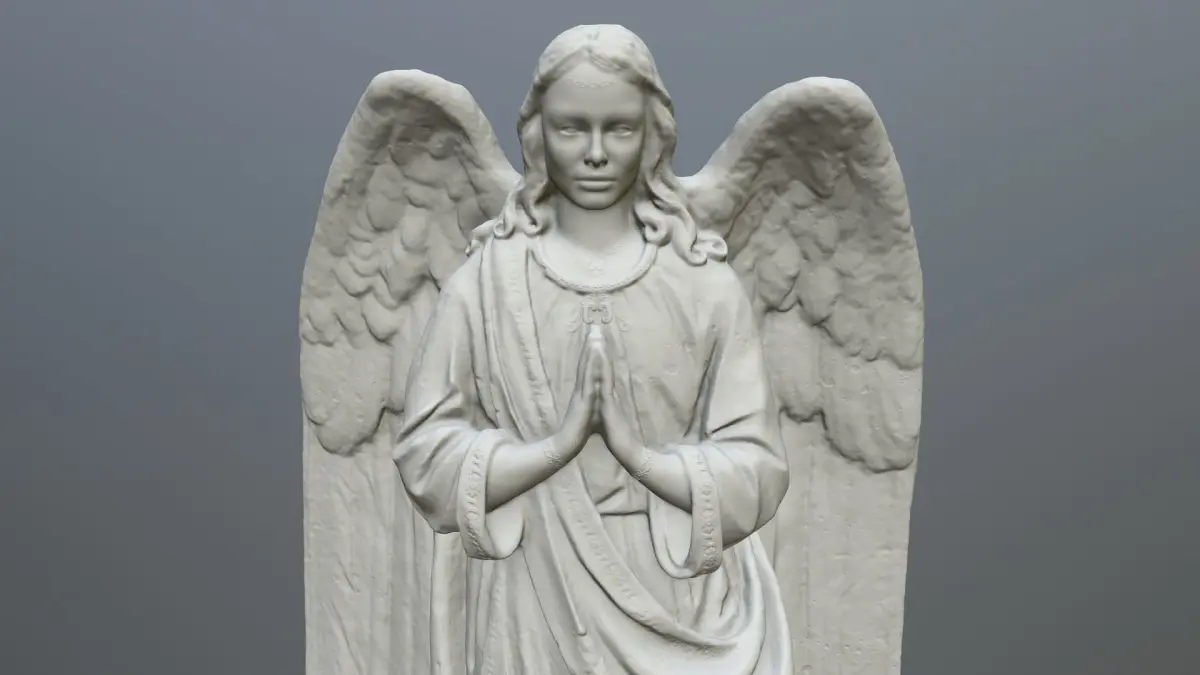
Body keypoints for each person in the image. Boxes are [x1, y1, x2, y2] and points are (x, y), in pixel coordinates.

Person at [394, 24, 792, 675]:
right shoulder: (486, 280)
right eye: (572, 128)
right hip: (534, 590)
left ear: (652, 134)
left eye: (620, 128)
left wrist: (639, 456)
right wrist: (556, 447)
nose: (597, 153)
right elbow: (424, 454)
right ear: (538, 134)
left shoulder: (704, 283)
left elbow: (760, 467)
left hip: (670, 592)